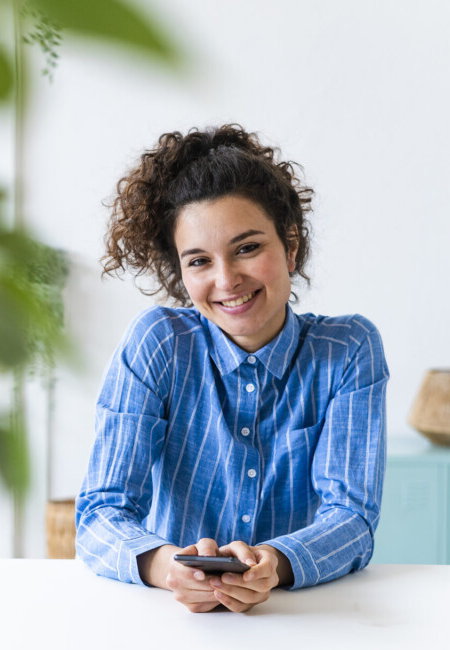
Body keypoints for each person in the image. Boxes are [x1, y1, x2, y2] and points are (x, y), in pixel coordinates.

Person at [75, 124, 389, 613]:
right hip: (168, 619)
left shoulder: (348, 349)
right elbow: (100, 514)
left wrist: (273, 564)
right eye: (199, 261)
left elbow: (352, 519)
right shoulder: (158, 343)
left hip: (300, 621)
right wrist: (169, 568)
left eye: (247, 248)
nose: (226, 281)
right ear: (180, 273)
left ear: (290, 246)